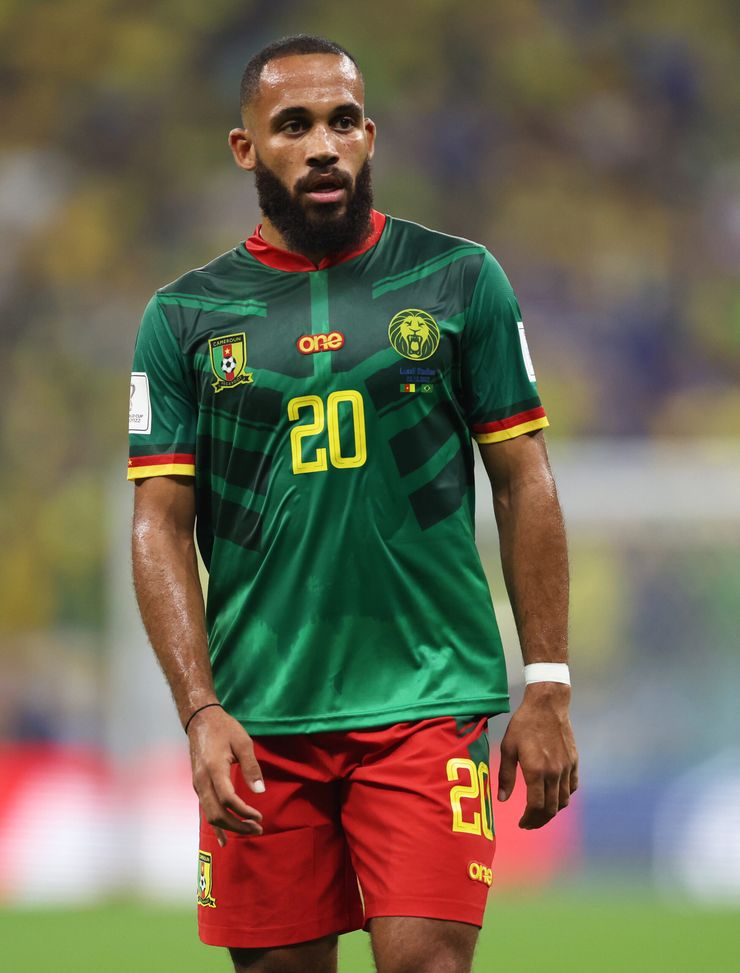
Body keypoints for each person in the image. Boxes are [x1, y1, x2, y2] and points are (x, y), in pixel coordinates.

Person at [128, 33, 578, 973]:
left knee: (427, 960)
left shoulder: (459, 280)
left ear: (370, 135)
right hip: (261, 715)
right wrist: (200, 710)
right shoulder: (183, 317)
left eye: (342, 122)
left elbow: (524, 478)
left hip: (425, 701)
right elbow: (159, 523)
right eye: (293, 125)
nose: (323, 144)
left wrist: (547, 682)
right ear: (247, 148)